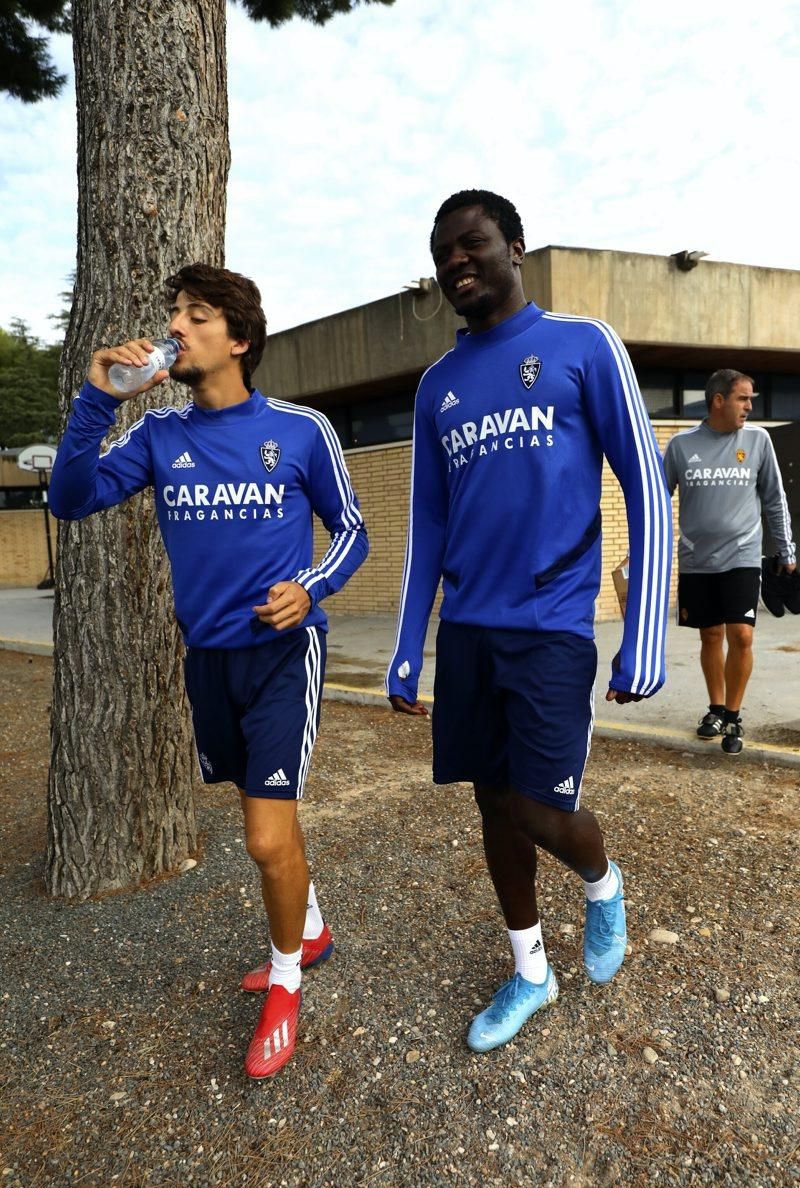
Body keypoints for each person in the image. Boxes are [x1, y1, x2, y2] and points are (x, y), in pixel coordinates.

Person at [49, 264, 368, 1079]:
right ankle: (314, 923)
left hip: (283, 657)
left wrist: (313, 587)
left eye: (196, 315)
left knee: (263, 837)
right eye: (174, 315)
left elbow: (353, 530)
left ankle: (289, 977)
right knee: (264, 806)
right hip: (207, 659)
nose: (176, 328)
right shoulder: (157, 436)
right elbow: (70, 498)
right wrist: (98, 399)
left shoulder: (300, 430)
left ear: (241, 339)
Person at [386, 190, 672, 1053]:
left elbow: (646, 488)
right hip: (469, 633)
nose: (455, 263)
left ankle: (603, 881)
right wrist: (406, 648)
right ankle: (530, 973)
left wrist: (645, 632)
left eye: (471, 244)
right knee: (492, 807)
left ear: (516, 247)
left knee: (544, 811)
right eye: (442, 253)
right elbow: (427, 526)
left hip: (551, 628)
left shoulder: (582, 345)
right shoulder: (438, 385)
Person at [662, 369, 796, 755]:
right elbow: (657, 496)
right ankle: (716, 709)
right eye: (743, 398)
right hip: (696, 558)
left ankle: (734, 715)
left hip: (743, 555)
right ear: (718, 400)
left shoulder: (757, 441)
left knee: (742, 634)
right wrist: (645, 547)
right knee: (711, 635)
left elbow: (774, 498)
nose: (750, 407)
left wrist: (787, 551)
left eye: (752, 398)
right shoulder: (681, 445)